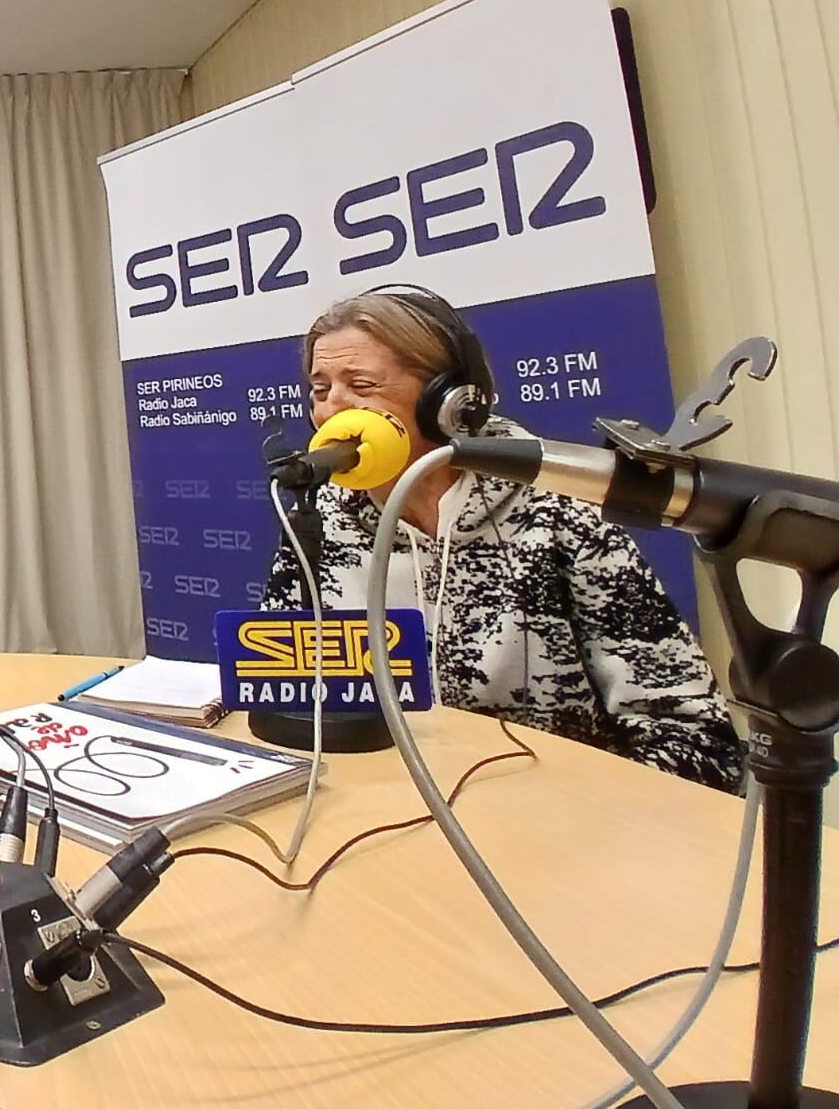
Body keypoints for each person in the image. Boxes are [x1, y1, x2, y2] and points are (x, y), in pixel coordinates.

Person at [258, 286, 742, 791]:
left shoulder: (561, 510)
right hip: (385, 813)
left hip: (554, 825)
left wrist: (573, 811)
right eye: (319, 389)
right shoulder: (319, 521)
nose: (331, 407)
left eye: (360, 384)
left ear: (444, 404)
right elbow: (288, 693)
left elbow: (694, 737)